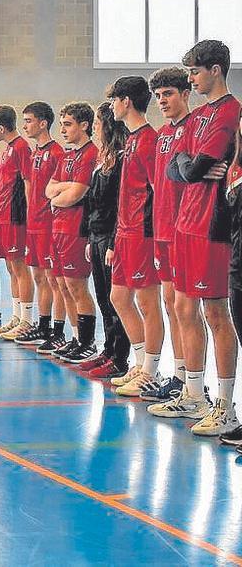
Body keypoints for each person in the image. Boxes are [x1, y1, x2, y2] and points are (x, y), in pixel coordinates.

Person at [150, 40, 240, 436]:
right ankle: (193, 393)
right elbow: (178, 168)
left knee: (216, 314)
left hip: (211, 227)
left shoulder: (230, 112)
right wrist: (192, 165)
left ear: (216, 69)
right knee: (186, 310)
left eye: (195, 72)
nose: (191, 79)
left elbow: (195, 165)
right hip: (184, 223)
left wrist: (192, 165)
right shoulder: (198, 115)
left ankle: (225, 406)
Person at [126, 67, 193, 398]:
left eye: (168, 93)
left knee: (187, 308)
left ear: (185, 93)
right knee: (170, 303)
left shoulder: (192, 129)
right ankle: (179, 376)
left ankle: (194, 383)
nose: (163, 100)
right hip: (162, 232)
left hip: (187, 231)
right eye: (158, 95)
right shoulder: (164, 134)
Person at [97, 78, 162, 385]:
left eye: (114, 101)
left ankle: (150, 371)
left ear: (126, 101)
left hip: (141, 233)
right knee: (119, 297)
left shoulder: (149, 140)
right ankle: (139, 363)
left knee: (148, 303)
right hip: (123, 232)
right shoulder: (131, 140)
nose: (112, 107)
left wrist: (149, 232)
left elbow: (157, 191)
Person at [70, 102, 129, 370]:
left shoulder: (120, 158)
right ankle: (108, 349)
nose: (94, 129)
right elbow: (91, 201)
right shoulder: (102, 159)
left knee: (115, 301)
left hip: (109, 237)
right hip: (96, 235)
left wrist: (114, 242)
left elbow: (121, 204)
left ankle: (119, 357)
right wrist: (87, 236)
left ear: (108, 127)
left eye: (97, 124)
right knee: (104, 298)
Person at [41, 103, 100, 358]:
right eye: (62, 124)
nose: (62, 130)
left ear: (84, 125)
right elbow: (49, 189)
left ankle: (88, 343)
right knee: (63, 286)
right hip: (57, 228)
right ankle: (76, 339)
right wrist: (62, 190)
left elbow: (74, 195)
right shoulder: (66, 155)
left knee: (77, 287)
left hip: (76, 230)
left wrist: (60, 193)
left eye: (68, 124)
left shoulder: (91, 154)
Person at [9, 102, 68, 348]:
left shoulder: (57, 154)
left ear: (43, 123)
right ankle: (41, 326)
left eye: (29, 121)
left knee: (54, 280)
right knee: (39, 277)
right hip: (32, 223)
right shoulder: (34, 153)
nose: (25, 126)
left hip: (48, 225)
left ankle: (58, 331)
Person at [0, 105, 34, 338]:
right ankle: (16, 316)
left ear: (1, 127)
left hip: (16, 217)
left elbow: (28, 183)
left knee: (20, 268)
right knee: (10, 268)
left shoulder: (22, 148)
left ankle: (26, 320)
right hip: (3, 217)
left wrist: (29, 215)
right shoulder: (8, 149)